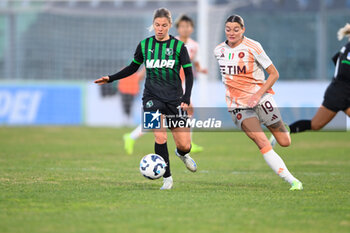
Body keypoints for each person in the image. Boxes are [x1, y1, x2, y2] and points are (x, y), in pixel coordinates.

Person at [94, 8, 197, 190]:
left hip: (174, 99)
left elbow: (189, 74)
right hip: (151, 98)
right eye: (157, 25)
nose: (160, 29)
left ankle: (182, 154)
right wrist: (111, 78)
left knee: (185, 145)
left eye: (164, 25)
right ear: (153, 25)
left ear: (170, 26)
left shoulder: (179, 47)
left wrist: (186, 97)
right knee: (159, 135)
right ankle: (168, 179)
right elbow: (132, 68)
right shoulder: (144, 45)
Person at [214, 15, 303, 190]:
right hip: (238, 105)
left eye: (236, 29)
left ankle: (283, 127)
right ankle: (292, 180)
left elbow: (274, 74)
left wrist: (257, 95)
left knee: (285, 141)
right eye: (228, 29)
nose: (231, 33)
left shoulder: (253, 47)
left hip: (262, 99)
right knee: (261, 141)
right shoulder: (218, 50)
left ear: (243, 29)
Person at [123, 14, 207, 155]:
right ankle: (132, 136)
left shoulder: (194, 46)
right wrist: (141, 75)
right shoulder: (172, 43)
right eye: (182, 26)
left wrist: (200, 69)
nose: (185, 29)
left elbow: (195, 63)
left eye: (188, 26)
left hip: (181, 84)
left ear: (192, 29)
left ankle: (187, 142)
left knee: (186, 111)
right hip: (167, 84)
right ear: (177, 28)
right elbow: (152, 61)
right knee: (160, 119)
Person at [270, 23, 350, 137]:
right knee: (315, 124)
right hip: (338, 94)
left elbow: (335, 59)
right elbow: (344, 71)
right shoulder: (349, 48)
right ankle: (283, 131)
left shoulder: (346, 47)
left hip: (341, 92)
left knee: (315, 125)